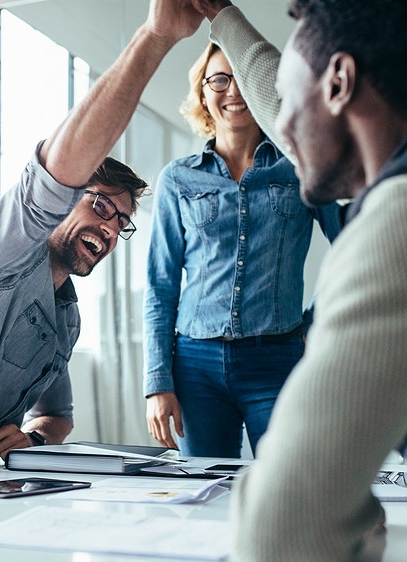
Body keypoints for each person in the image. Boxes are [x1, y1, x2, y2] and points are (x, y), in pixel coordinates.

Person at [193, 0, 407, 562]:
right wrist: (222, 15)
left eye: (289, 107)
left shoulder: (398, 222)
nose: (278, 128)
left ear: (339, 82)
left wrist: (351, 523)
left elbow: (282, 537)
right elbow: (277, 89)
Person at [0, 0, 204, 461]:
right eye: (100, 203)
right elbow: (54, 175)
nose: (109, 227)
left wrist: (35, 438)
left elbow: (58, 415)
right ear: (66, 201)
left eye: (121, 221)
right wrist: (156, 37)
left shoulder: (67, 317)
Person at [143, 41, 341, 458]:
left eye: (244, 80)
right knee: (204, 495)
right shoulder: (177, 180)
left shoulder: (302, 167)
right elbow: (160, 287)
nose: (233, 91)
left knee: (289, 486)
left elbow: (355, 248)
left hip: (279, 362)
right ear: (203, 93)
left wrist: (315, 322)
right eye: (219, 79)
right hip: (194, 367)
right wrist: (158, 383)